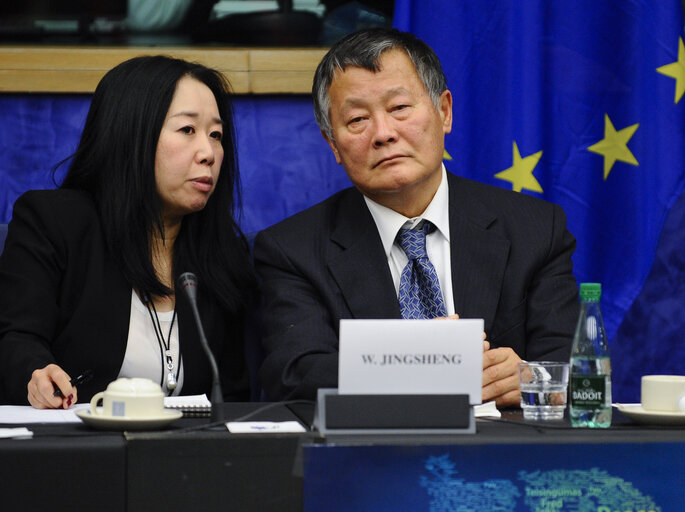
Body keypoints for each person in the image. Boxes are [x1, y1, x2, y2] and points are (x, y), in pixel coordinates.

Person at [253, 28, 579, 406]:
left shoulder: (534, 229)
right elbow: (294, 373)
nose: (383, 133)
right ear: (333, 144)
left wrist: (531, 377)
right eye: (357, 119)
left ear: (444, 112)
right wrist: (419, 360)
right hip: (372, 457)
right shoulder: (293, 250)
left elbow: (572, 368)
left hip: (503, 458)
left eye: (399, 108)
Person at [0, 56, 255, 408]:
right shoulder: (55, 223)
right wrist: (36, 374)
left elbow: (232, 393)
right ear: (131, 132)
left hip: (185, 455)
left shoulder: (223, 252)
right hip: (79, 450)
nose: (208, 152)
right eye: (187, 130)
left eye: (216, 135)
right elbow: (15, 339)